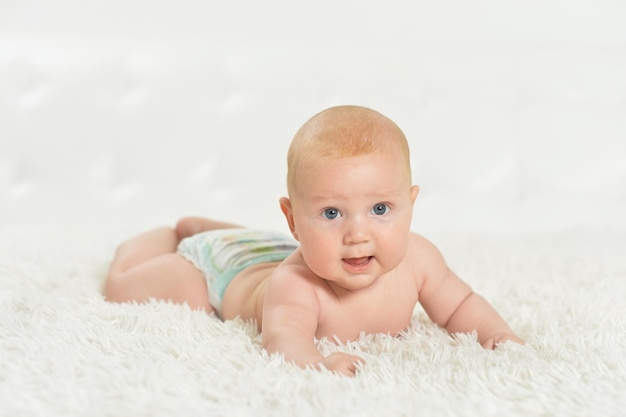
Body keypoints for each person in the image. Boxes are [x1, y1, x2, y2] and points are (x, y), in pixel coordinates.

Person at [104, 105, 524, 376]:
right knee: (125, 286)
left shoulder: (421, 258)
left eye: (380, 209)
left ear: (410, 204)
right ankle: (168, 236)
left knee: (260, 243)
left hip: (269, 246)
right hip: (224, 271)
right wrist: (317, 364)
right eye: (331, 214)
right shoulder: (297, 285)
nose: (357, 234)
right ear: (293, 219)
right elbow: (284, 339)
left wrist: (496, 333)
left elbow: (461, 304)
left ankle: (212, 226)